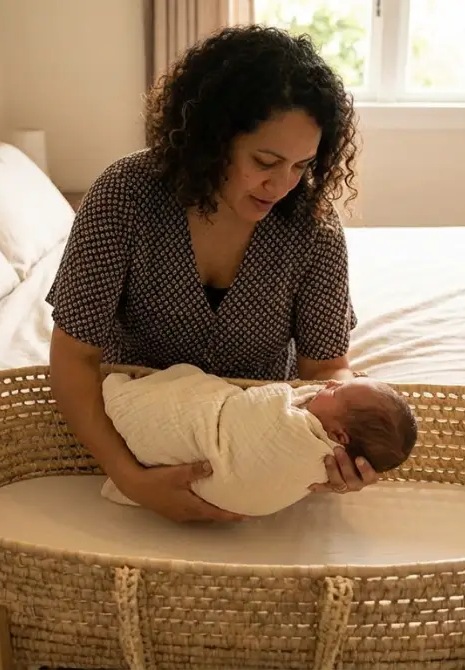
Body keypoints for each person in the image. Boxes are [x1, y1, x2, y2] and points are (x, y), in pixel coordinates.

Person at [45, 25, 370, 523]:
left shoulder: (312, 225)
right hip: (138, 425)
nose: (282, 184)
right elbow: (74, 358)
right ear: (213, 139)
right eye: (266, 161)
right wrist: (131, 478)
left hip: (256, 437)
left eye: (302, 165)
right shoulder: (125, 196)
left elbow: (325, 369)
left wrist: (351, 435)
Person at [98, 364, 417, 517]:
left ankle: (123, 397)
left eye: (337, 390)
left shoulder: (305, 437)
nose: (329, 383)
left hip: (225, 455)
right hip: (213, 423)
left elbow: (326, 367)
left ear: (338, 437)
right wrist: (128, 478)